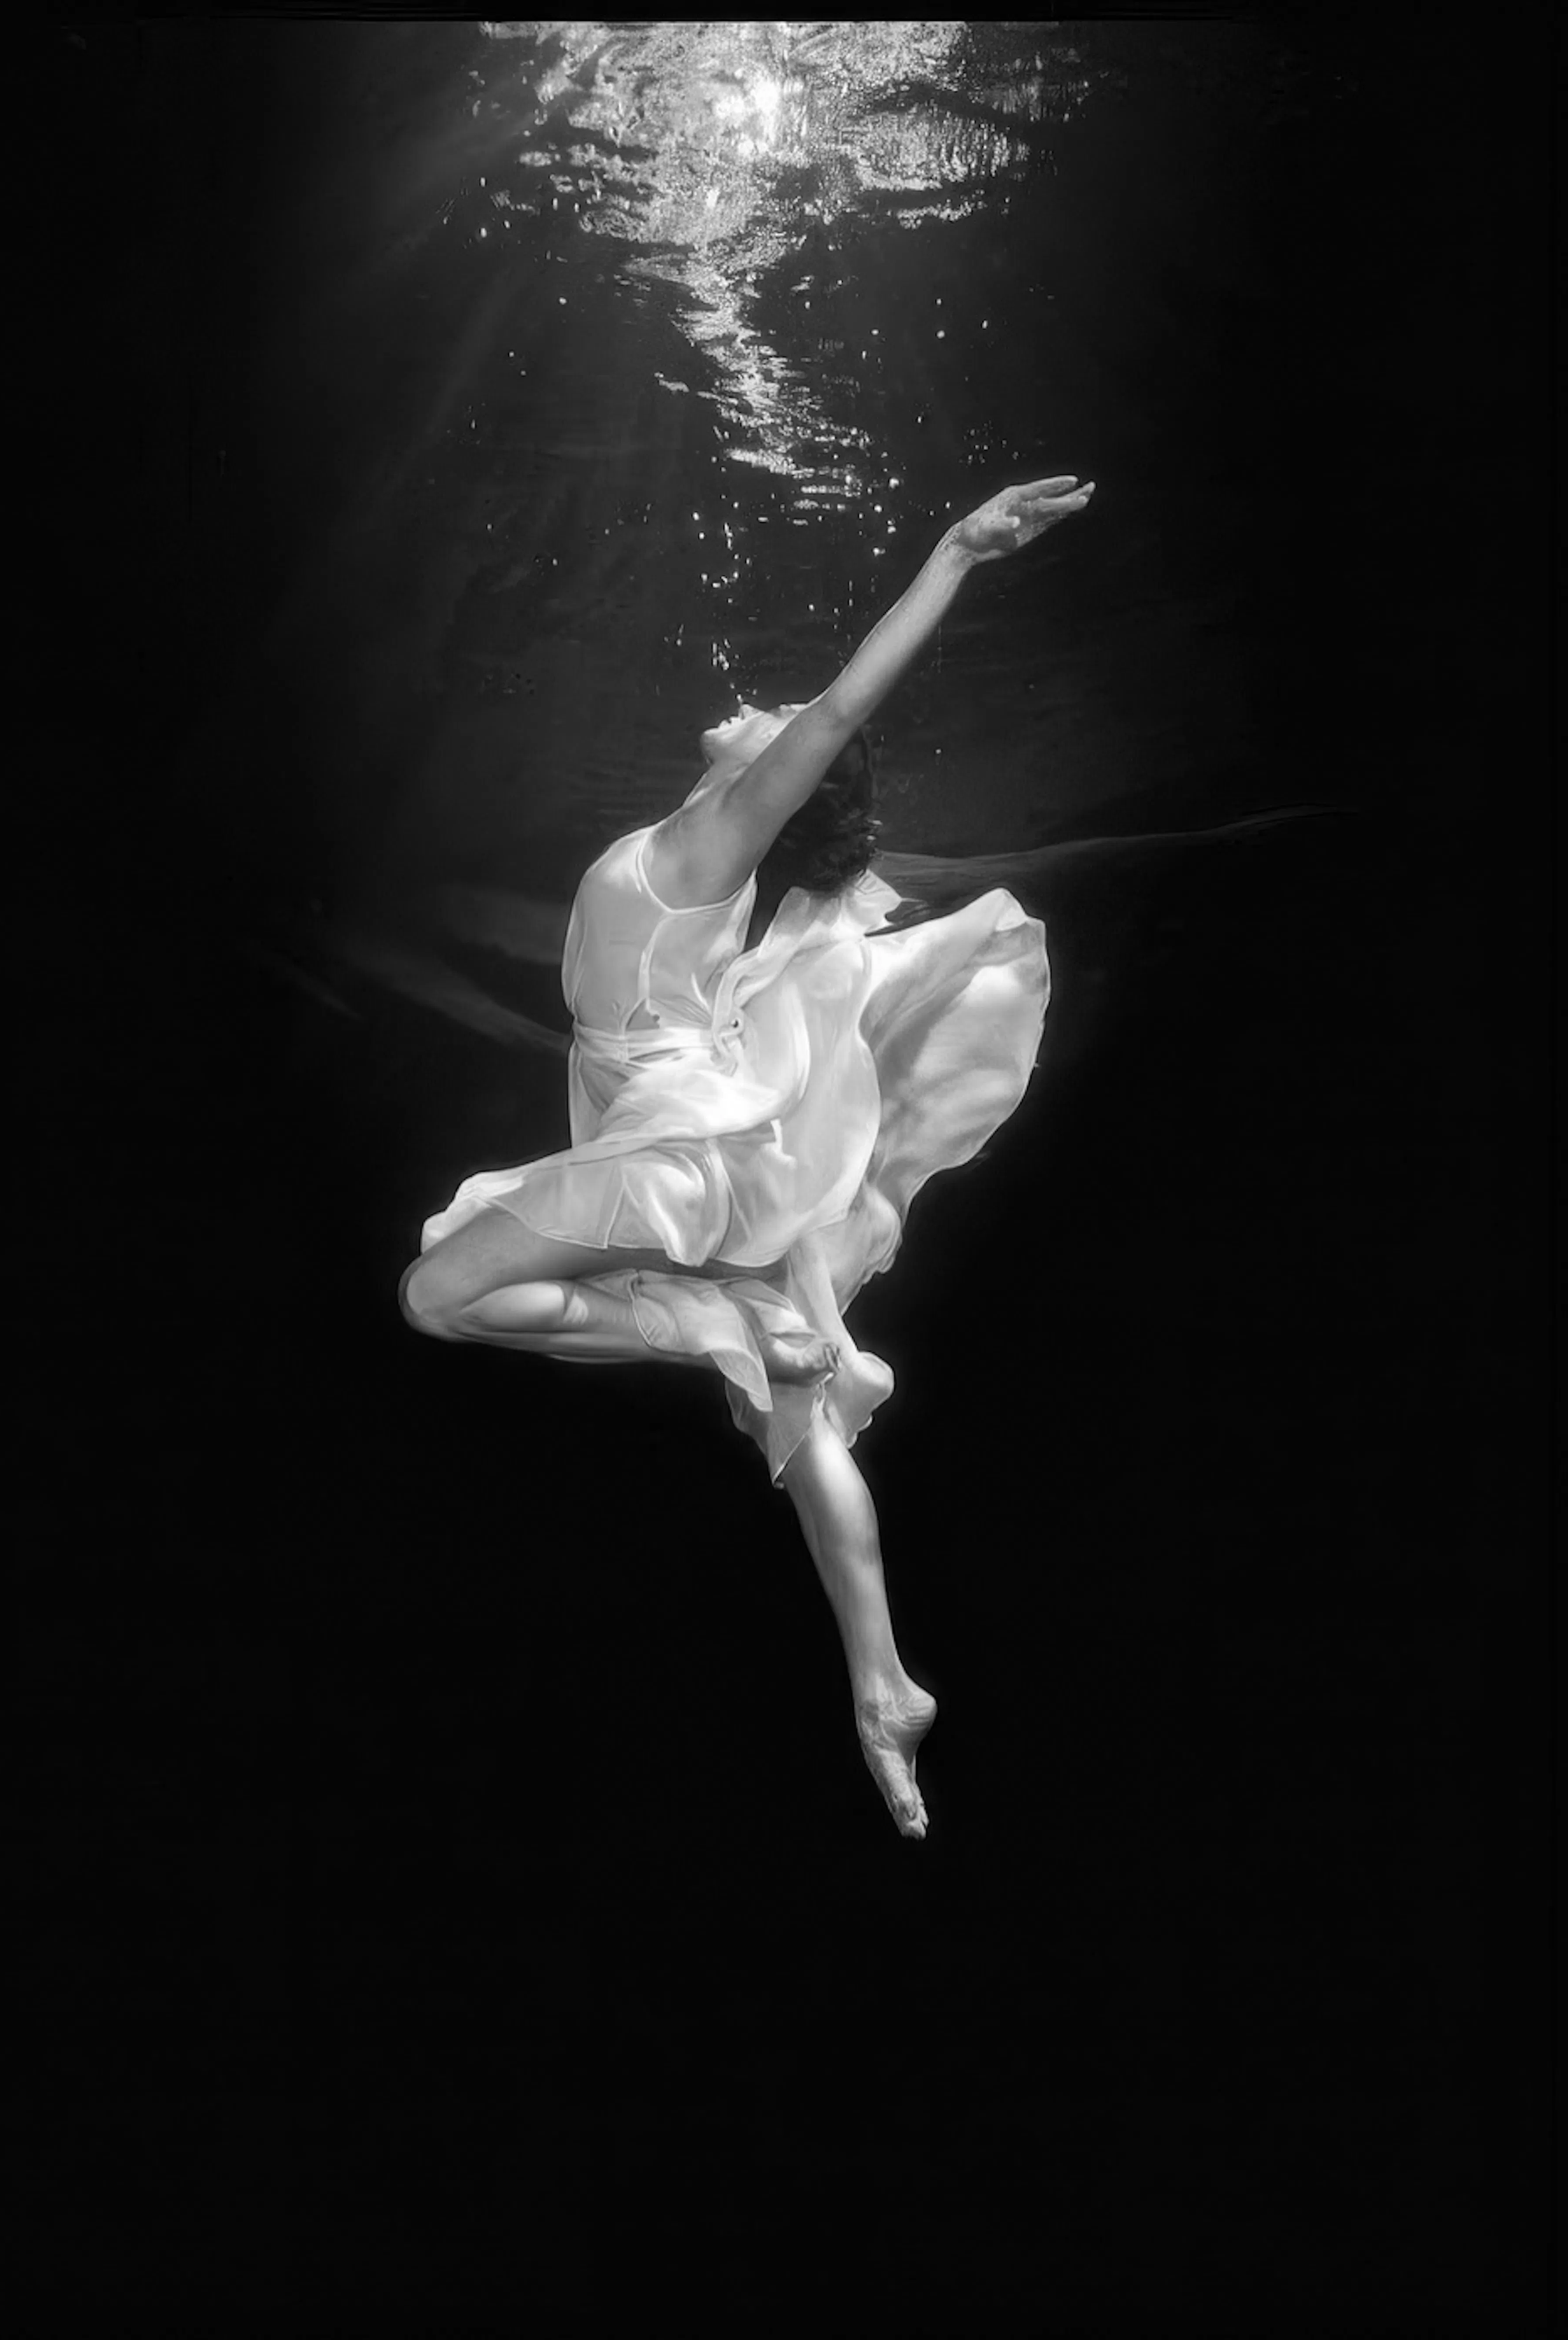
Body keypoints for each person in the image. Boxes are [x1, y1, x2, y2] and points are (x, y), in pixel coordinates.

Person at [400, 475, 1096, 1837]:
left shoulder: (723, 833)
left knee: (440, 1296)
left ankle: (715, 1339)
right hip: (677, 1124)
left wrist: (957, 553)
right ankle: (884, 1687)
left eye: (788, 726)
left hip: (680, 1148)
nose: (774, 707)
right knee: (798, 1402)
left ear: (782, 783)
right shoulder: (703, 840)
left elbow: (835, 714)